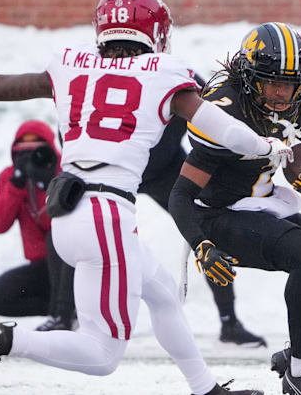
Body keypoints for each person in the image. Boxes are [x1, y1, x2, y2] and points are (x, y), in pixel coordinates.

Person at [0, 0, 291, 393]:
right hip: (106, 212)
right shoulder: (165, 73)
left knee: (162, 293)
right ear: (155, 31)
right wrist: (267, 147)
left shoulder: (72, 64)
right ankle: (6, 339)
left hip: (69, 209)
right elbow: (219, 127)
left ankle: (205, 388)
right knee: (103, 353)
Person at [168, 23, 301, 395]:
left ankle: (295, 358)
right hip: (218, 215)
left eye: (289, 83)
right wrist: (201, 244)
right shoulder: (223, 111)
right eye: (271, 82)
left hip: (262, 203)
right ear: (248, 79)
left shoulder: (296, 101)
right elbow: (180, 196)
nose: (281, 93)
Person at [39, 73, 267, 348]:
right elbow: (70, 124)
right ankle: (63, 315)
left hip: (162, 167)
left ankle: (229, 320)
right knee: (72, 215)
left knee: (207, 230)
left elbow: (215, 110)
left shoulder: (174, 74)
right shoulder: (98, 74)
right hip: (114, 171)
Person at [0, 120, 71, 323]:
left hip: (71, 264)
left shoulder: (65, 173)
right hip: (42, 268)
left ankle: (63, 315)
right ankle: (57, 310)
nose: (31, 160)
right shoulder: (10, 178)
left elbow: (65, 227)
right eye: (22, 154)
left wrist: (49, 185)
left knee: (55, 237)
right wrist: (16, 185)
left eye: (37, 153)